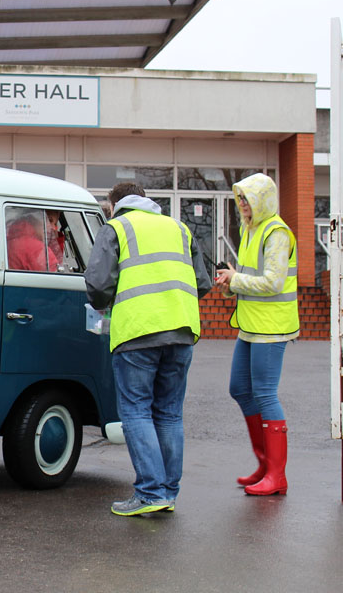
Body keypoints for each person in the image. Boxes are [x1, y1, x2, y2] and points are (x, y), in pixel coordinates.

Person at [86, 182, 212, 516]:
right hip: (182, 330)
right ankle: (167, 492)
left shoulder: (116, 228)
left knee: (136, 411)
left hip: (138, 333)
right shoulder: (178, 228)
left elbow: (98, 285)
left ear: (115, 204)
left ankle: (151, 493)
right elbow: (202, 283)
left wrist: (104, 305)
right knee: (169, 413)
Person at [214, 173, 299, 496]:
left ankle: (276, 475)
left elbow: (274, 283)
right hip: (251, 324)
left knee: (264, 394)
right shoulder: (250, 230)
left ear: (263, 199)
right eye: (240, 200)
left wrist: (235, 280)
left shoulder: (276, 232)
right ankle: (265, 465)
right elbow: (247, 278)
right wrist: (229, 283)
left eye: (247, 199)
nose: (243, 205)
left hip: (271, 326)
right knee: (240, 389)